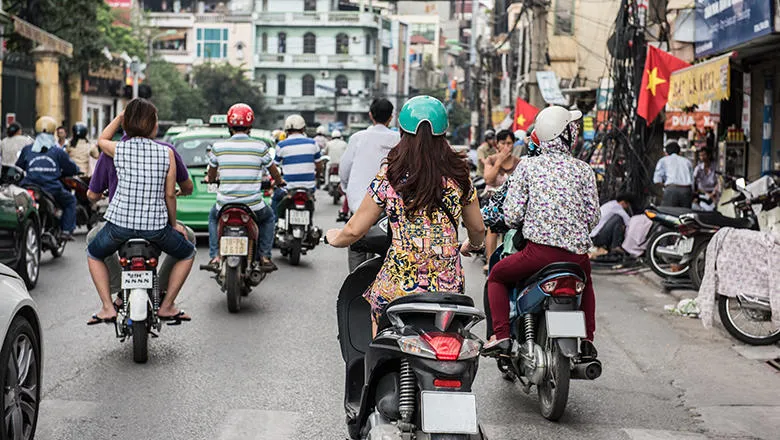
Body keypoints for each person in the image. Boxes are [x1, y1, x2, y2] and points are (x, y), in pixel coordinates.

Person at [326, 95, 486, 335]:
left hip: (398, 286)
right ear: (444, 133)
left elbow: (355, 229)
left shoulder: (391, 174)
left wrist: (334, 237)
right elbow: (478, 229)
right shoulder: (459, 174)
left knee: (378, 315)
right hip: (448, 286)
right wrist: (472, 245)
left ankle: (375, 370)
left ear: (401, 130)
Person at [483, 106, 600, 357]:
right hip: (576, 258)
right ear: (565, 135)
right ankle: (588, 340)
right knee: (586, 282)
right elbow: (593, 218)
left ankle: (502, 336)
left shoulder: (527, 167)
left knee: (497, 275)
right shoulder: (584, 169)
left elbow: (512, 216)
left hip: (537, 255)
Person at [86, 98, 195, 325]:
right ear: (154, 125)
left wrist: (119, 117)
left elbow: (102, 139)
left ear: (126, 124)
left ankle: (107, 307)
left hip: (119, 227)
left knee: (94, 253)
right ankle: (167, 305)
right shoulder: (167, 153)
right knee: (187, 252)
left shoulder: (119, 149)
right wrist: (173, 225)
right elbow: (170, 195)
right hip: (156, 229)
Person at [205, 103, 283, 272]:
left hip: (224, 204)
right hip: (253, 205)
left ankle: (214, 256)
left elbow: (211, 175)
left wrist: (211, 179)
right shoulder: (260, 147)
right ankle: (264, 256)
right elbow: (274, 173)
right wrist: (278, 181)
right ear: (250, 125)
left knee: (212, 217)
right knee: (269, 218)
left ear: (229, 125)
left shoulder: (218, 148)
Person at [338, 98, 400, 271]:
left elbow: (344, 169)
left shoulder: (358, 138)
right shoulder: (398, 139)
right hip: (389, 210)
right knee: (388, 252)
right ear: (391, 117)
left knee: (356, 248)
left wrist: (345, 188)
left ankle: (354, 289)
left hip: (359, 206)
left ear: (371, 115)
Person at [15, 116, 80, 241]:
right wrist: (76, 170)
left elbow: (19, 166)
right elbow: (71, 168)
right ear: (53, 132)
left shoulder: (27, 150)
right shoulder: (57, 151)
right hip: (51, 188)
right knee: (71, 200)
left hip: (28, 186)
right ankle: (66, 231)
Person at [482, 129, 522, 272]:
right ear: (497, 145)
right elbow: (488, 178)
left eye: (510, 143)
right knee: (492, 227)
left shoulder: (519, 163)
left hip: (511, 201)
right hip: (493, 198)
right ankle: (490, 260)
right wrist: (499, 162)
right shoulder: (491, 160)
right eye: (503, 143)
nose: (507, 147)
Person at [272, 115, 324, 217]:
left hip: (288, 188)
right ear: (303, 129)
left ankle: (276, 223)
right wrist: (317, 176)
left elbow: (274, 167)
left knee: (275, 199)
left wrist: (276, 181)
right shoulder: (313, 143)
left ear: (286, 130)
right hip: (308, 187)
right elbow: (319, 166)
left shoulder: (281, 145)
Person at [653, 141, 693, 208]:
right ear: (679, 152)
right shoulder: (687, 161)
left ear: (666, 152)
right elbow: (692, 181)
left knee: (668, 214)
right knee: (685, 215)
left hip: (671, 190)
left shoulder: (663, 160)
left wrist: (665, 186)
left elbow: (657, 180)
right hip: (686, 190)